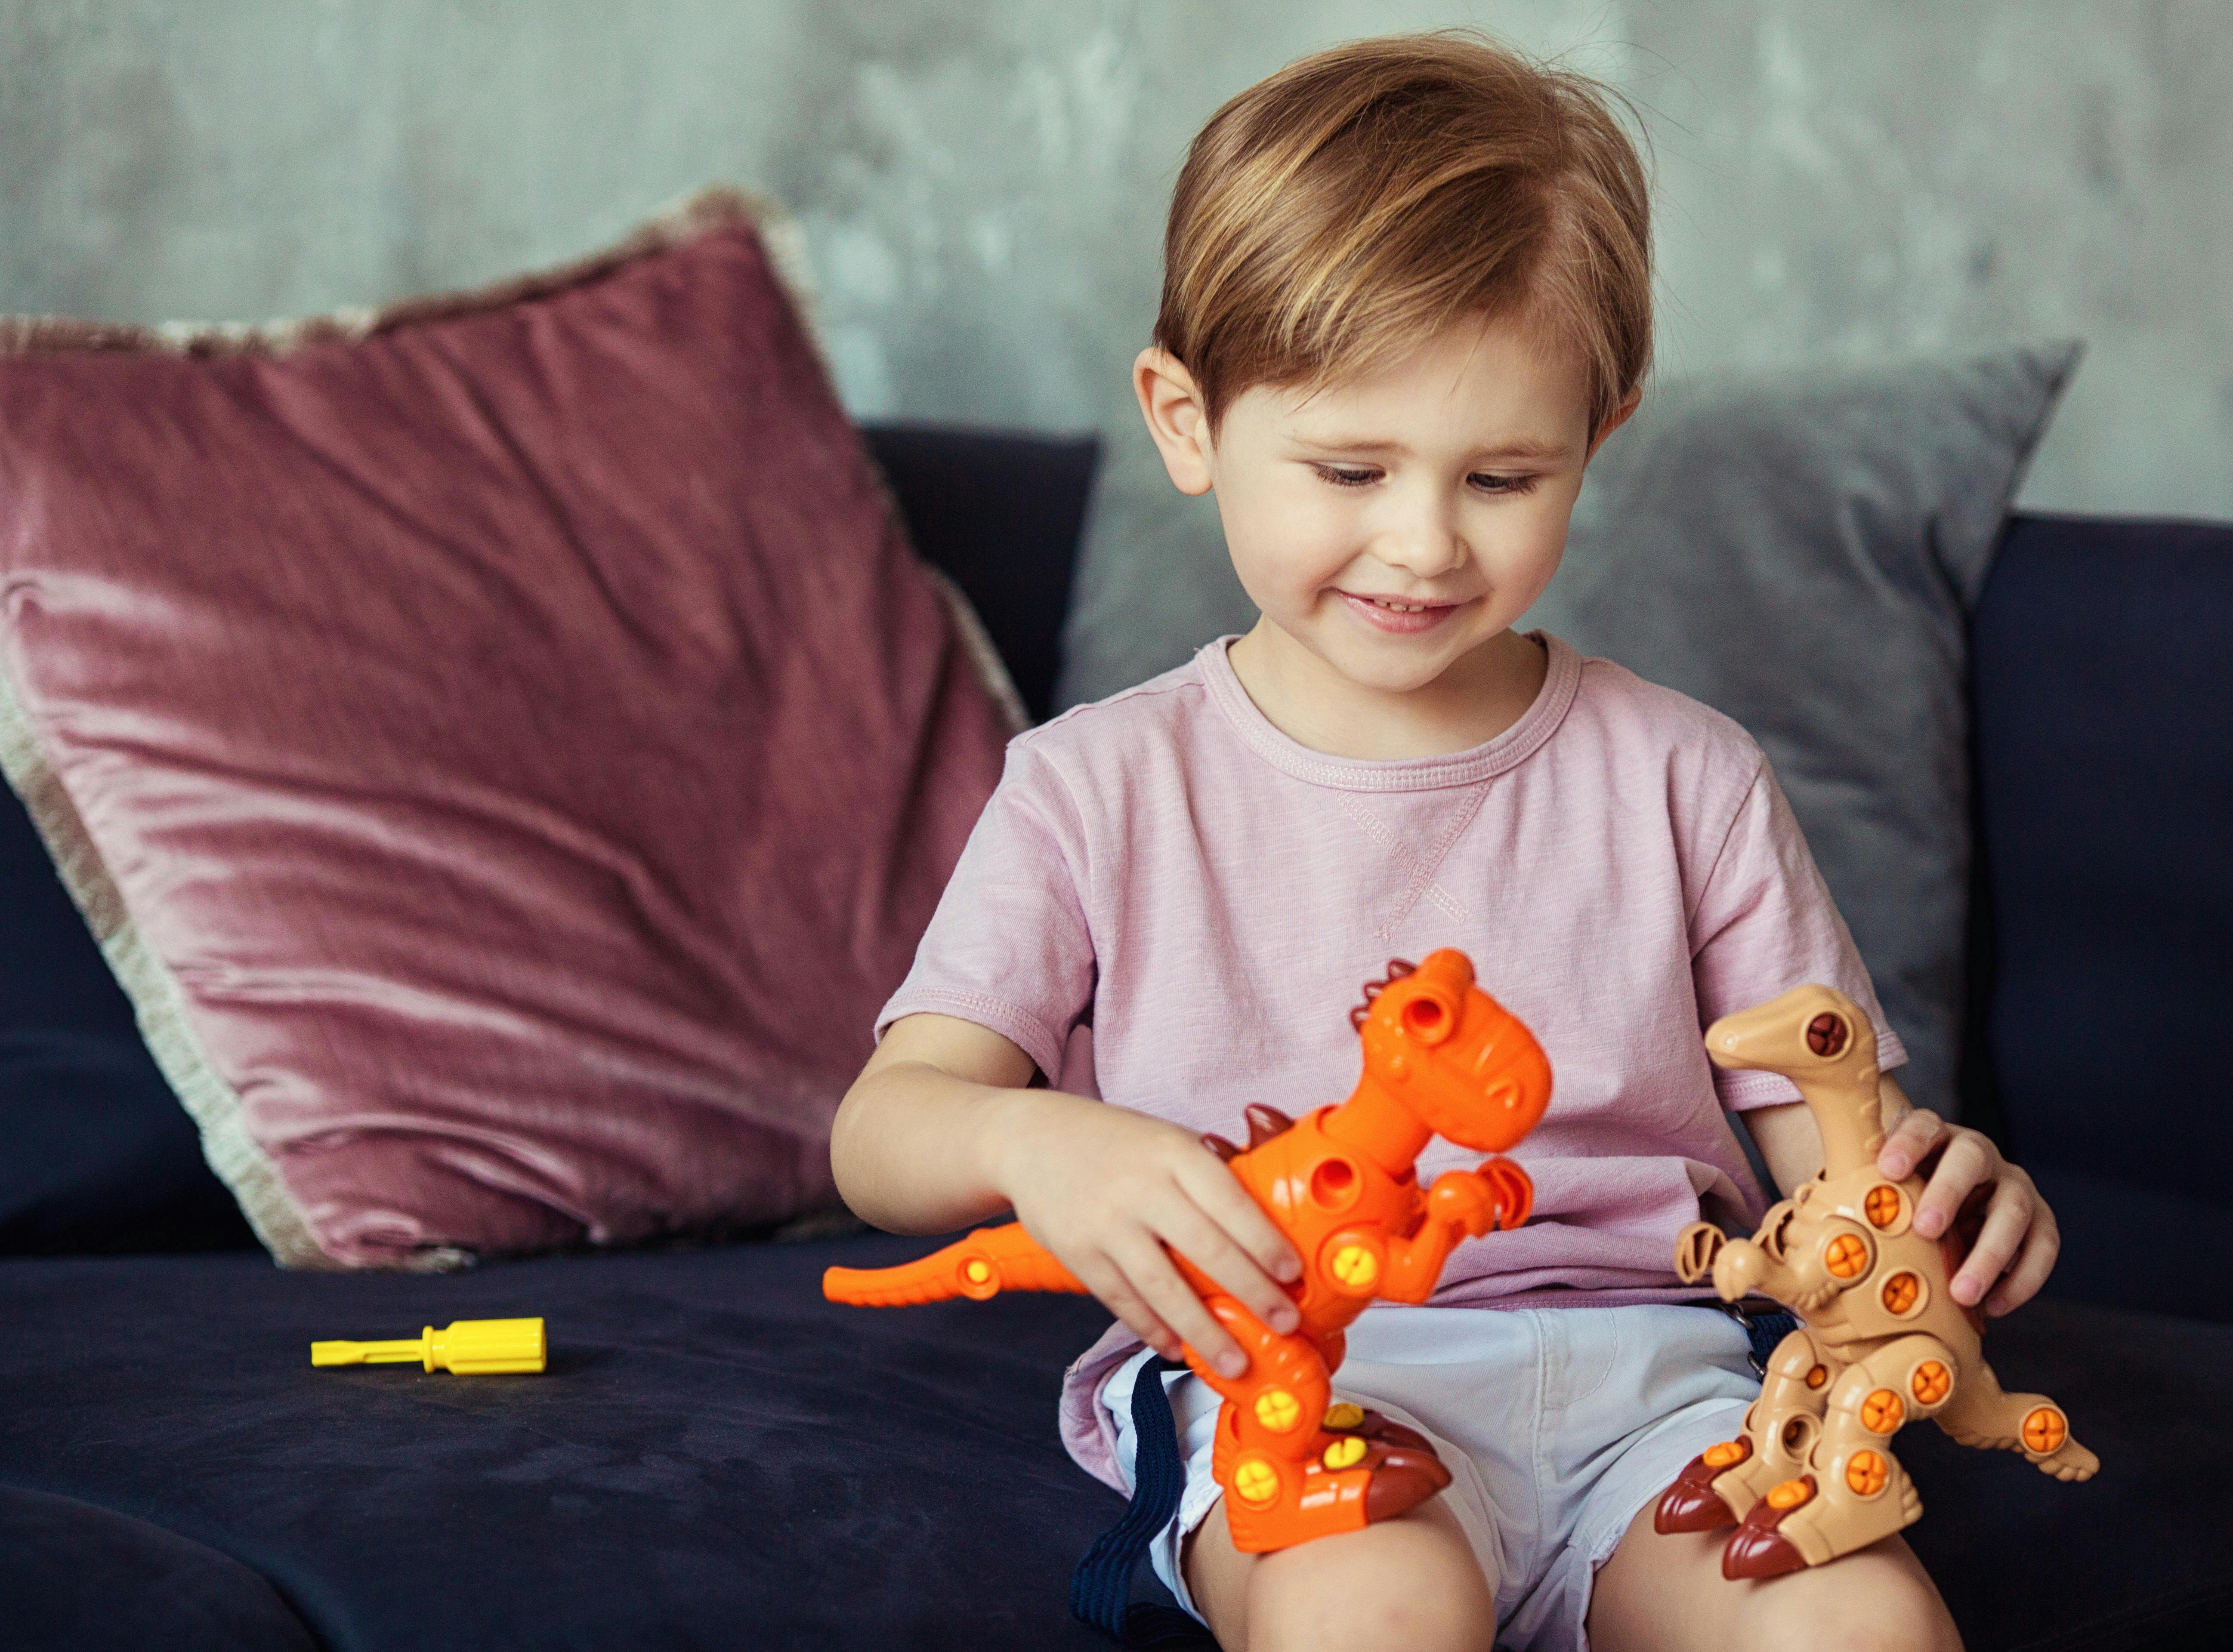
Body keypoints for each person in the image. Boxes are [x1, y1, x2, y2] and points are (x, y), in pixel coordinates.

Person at [831, 31, 2058, 1652]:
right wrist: (1032, 1146)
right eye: (1350, 467)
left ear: (1599, 442)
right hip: (1303, 1375)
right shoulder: (1096, 785)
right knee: (1376, 1605)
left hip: (1662, 1383)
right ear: (1186, 423)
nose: (1421, 543)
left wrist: (1943, 1190)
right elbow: (884, 1131)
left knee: (1864, 1628)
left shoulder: (1686, 775)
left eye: (1501, 476)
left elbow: (1839, 1147)